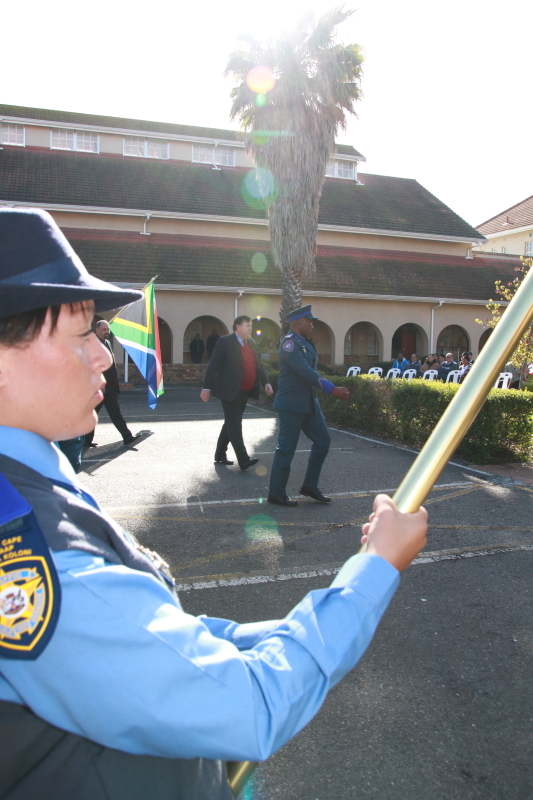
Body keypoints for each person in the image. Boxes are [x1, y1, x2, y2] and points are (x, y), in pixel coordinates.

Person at [0, 208, 428, 799]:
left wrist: (298, 626)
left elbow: (159, 638)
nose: (104, 355)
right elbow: (248, 704)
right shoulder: (35, 559)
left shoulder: (32, 479)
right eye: (83, 334)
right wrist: (372, 573)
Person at [268, 305, 350, 507]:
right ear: (297, 324)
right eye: (309, 322)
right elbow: (306, 372)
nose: (312, 325)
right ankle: (276, 493)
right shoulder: (289, 345)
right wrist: (332, 389)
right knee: (286, 449)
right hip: (291, 405)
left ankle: (310, 486)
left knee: (323, 441)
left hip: (308, 403)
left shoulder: (304, 343)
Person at [200, 315, 273, 469]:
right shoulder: (225, 341)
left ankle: (220, 454)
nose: (250, 328)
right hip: (229, 391)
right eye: (247, 325)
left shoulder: (252, 343)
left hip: (244, 391)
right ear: (237, 327)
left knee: (230, 423)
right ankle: (243, 459)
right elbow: (213, 365)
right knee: (235, 424)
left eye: (251, 326)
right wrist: (206, 387)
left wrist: (266, 382)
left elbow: (258, 366)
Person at [84, 320, 141, 447]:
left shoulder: (108, 343)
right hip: (99, 388)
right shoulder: (92, 344)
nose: (107, 332)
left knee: (115, 413)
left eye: (108, 330)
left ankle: (127, 437)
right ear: (97, 330)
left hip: (110, 387)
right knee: (91, 414)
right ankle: (85, 440)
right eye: (104, 330)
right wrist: (100, 385)